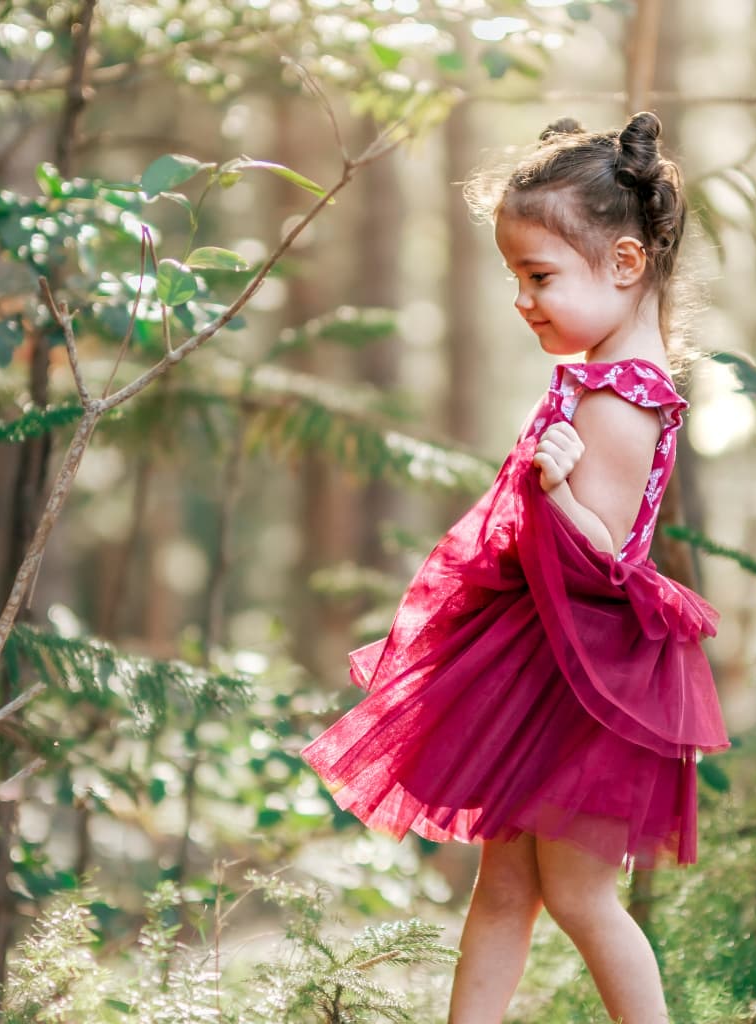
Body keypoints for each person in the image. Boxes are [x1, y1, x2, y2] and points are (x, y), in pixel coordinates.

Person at [300, 111, 730, 1024]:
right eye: (515, 279)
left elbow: (604, 556)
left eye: (540, 277)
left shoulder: (624, 398)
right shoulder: (606, 377)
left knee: (579, 896)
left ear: (624, 263)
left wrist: (554, 487)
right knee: (503, 889)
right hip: (553, 667)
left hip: (590, 683)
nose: (524, 299)